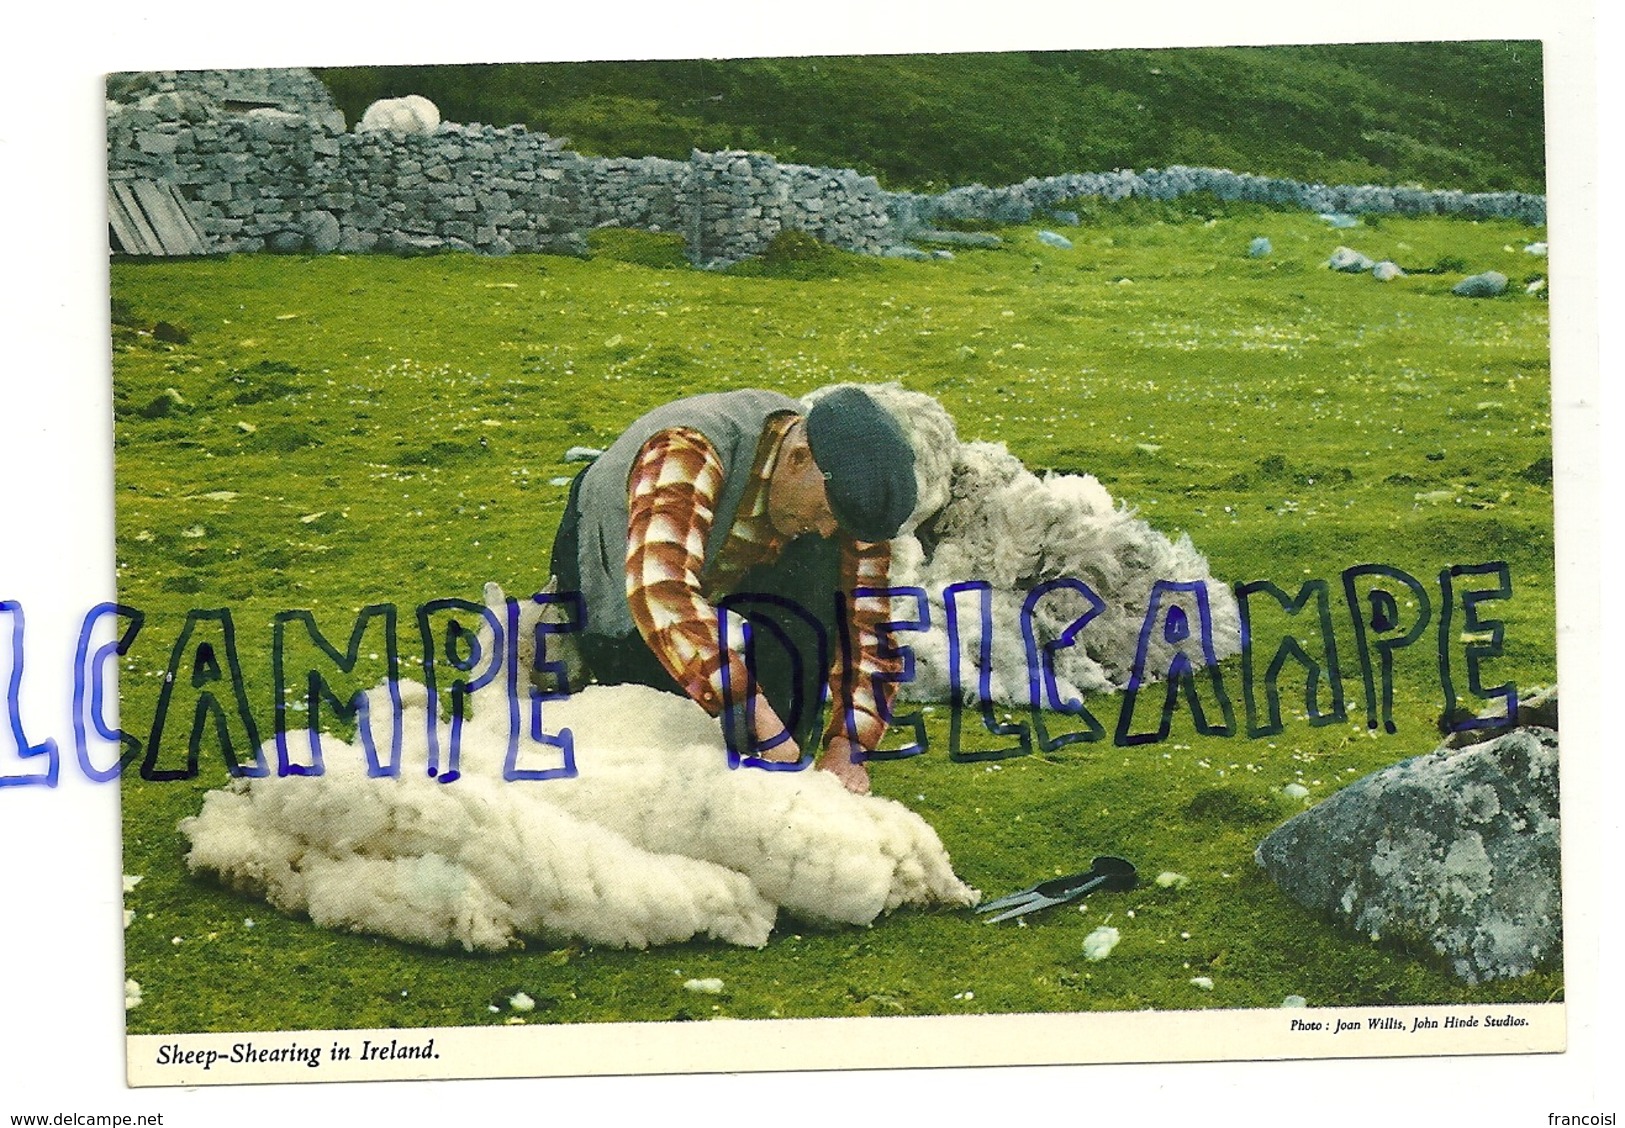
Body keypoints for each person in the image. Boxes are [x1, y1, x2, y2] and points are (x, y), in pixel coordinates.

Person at [549, 386, 917, 794]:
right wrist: (753, 714)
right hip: (621, 565)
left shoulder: (847, 490)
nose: (831, 527)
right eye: (828, 512)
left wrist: (850, 743)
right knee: (666, 742)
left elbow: (869, 622)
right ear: (798, 458)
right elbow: (661, 592)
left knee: (819, 566)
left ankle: (778, 773)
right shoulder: (688, 449)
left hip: (728, 563)